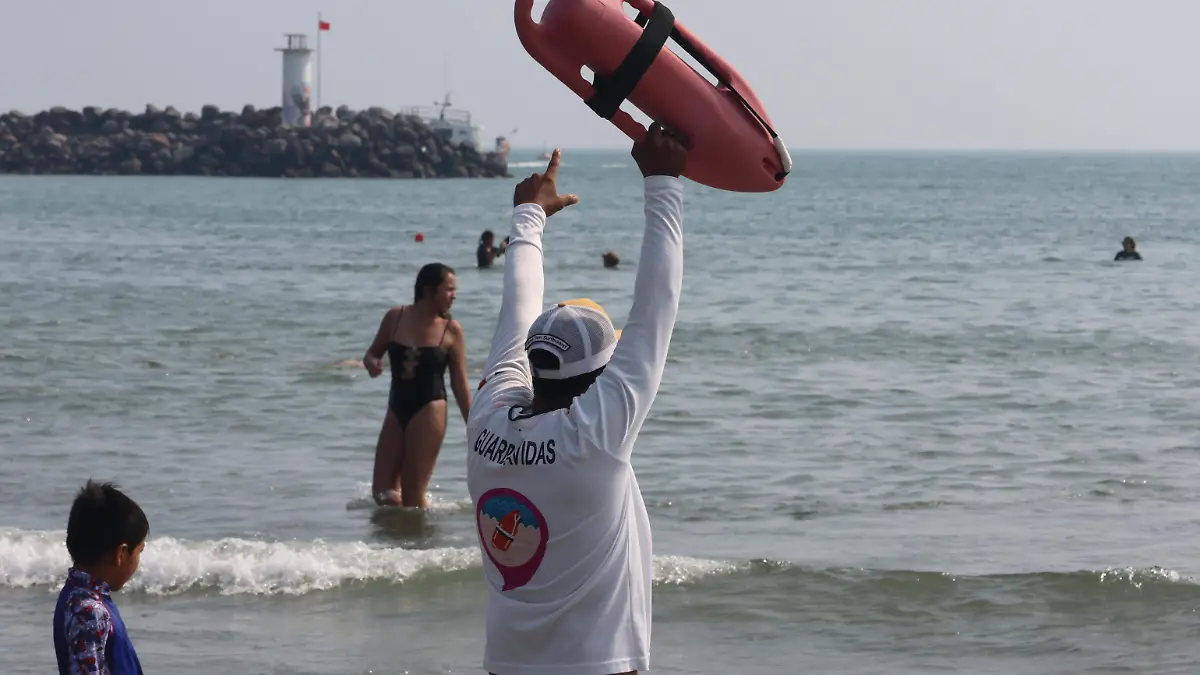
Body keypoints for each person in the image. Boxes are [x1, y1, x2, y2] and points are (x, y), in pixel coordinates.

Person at [467, 125, 688, 675]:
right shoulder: (593, 434)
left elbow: (522, 310)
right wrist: (662, 183)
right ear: (601, 373)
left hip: (505, 665)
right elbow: (655, 309)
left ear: (534, 366)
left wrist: (529, 217)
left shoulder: (488, 419)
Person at [364, 262, 472, 508]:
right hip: (395, 407)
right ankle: (395, 543)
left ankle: (421, 543)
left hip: (430, 409)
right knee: (383, 493)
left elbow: (459, 383)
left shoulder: (451, 330)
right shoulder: (395, 317)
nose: (454, 296)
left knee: (413, 494)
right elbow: (372, 354)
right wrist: (372, 363)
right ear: (428, 290)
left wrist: (474, 425)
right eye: (449, 289)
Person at [53, 480, 149, 675]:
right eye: (139, 551)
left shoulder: (78, 595)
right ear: (121, 554)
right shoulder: (89, 611)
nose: (138, 560)